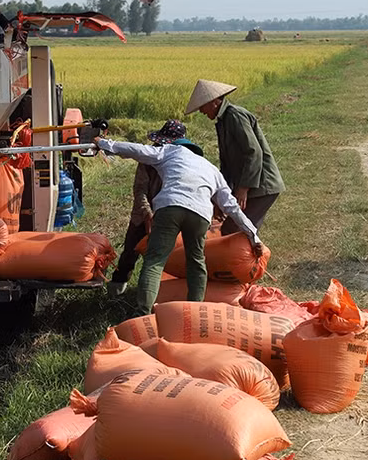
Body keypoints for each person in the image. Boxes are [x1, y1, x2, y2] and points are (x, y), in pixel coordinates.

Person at [94, 121, 263, 317]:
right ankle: (194, 314)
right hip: (200, 215)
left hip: (170, 206)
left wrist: (105, 144)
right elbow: (231, 207)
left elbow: (136, 150)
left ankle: (142, 314)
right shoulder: (211, 169)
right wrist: (254, 236)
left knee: (155, 262)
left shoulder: (169, 151)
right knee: (196, 263)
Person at [107, 120, 204, 297]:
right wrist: (147, 214)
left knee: (163, 256)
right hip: (145, 212)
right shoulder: (148, 159)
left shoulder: (187, 159)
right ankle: (118, 287)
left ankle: (160, 292)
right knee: (131, 250)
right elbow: (140, 189)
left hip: (172, 211)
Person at [185, 80, 285, 236]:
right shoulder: (223, 121)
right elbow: (227, 165)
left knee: (236, 229)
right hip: (251, 184)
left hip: (261, 185)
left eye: (202, 106)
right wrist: (221, 197)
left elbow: (253, 152)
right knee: (241, 230)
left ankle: (247, 259)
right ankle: (249, 258)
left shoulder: (234, 115)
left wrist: (243, 189)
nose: (201, 112)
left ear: (214, 102)